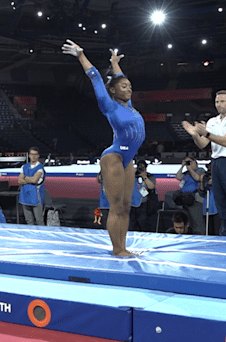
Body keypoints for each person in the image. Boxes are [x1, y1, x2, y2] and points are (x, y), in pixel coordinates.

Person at [62, 39, 145, 257]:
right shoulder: (109, 104)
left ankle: (123, 247)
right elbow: (96, 77)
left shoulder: (130, 106)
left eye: (130, 87)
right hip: (114, 156)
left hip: (128, 158)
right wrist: (80, 55)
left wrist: (115, 63)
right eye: (124, 87)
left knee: (126, 207)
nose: (129, 89)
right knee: (116, 206)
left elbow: (119, 79)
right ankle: (117, 249)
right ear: (112, 91)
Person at [182, 91, 226, 237]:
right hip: (216, 162)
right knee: (220, 200)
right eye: (217, 102)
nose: (219, 104)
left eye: (222, 101)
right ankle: (225, 233)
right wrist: (195, 135)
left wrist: (205, 133)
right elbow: (202, 144)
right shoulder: (212, 121)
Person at [172, 156, 206, 235]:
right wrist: (183, 166)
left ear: (195, 162)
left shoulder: (200, 170)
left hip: (195, 200)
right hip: (184, 199)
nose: (188, 164)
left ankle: (199, 237)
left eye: (190, 162)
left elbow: (198, 178)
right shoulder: (187, 173)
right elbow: (178, 176)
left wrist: (190, 168)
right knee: (188, 222)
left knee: (197, 221)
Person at [18, 147, 46, 226]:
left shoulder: (40, 168)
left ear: (38, 156)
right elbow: (20, 180)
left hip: (36, 197)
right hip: (24, 196)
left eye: (35, 154)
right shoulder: (24, 167)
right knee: (29, 221)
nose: (33, 156)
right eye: (31, 154)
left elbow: (34, 180)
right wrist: (29, 179)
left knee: (39, 221)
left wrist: (25, 178)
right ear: (29, 155)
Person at [130, 160, 157, 232]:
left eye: (142, 167)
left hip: (143, 204)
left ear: (145, 168)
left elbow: (151, 186)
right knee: (132, 225)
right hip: (131, 204)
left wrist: (144, 176)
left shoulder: (149, 176)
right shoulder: (133, 175)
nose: (140, 169)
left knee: (143, 223)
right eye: (139, 167)